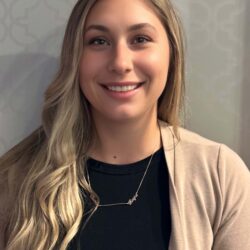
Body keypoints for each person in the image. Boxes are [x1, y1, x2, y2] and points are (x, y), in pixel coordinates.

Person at [0, 0, 250, 249]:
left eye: (140, 39)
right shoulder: (14, 179)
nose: (120, 63)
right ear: (75, 58)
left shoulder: (220, 174)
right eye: (99, 41)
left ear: (171, 53)